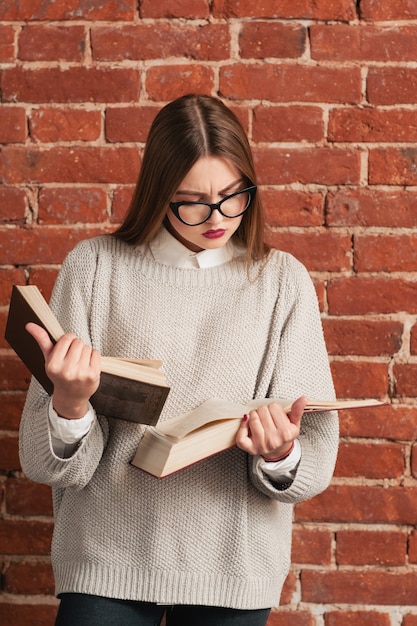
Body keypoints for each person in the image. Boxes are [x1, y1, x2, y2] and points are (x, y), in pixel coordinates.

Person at [19, 94, 339, 626]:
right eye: (192, 201)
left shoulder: (283, 281)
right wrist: (70, 407)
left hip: (232, 563)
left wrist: (279, 454)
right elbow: (43, 461)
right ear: (158, 193)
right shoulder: (95, 267)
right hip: (107, 555)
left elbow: (316, 457)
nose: (217, 218)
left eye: (233, 196)